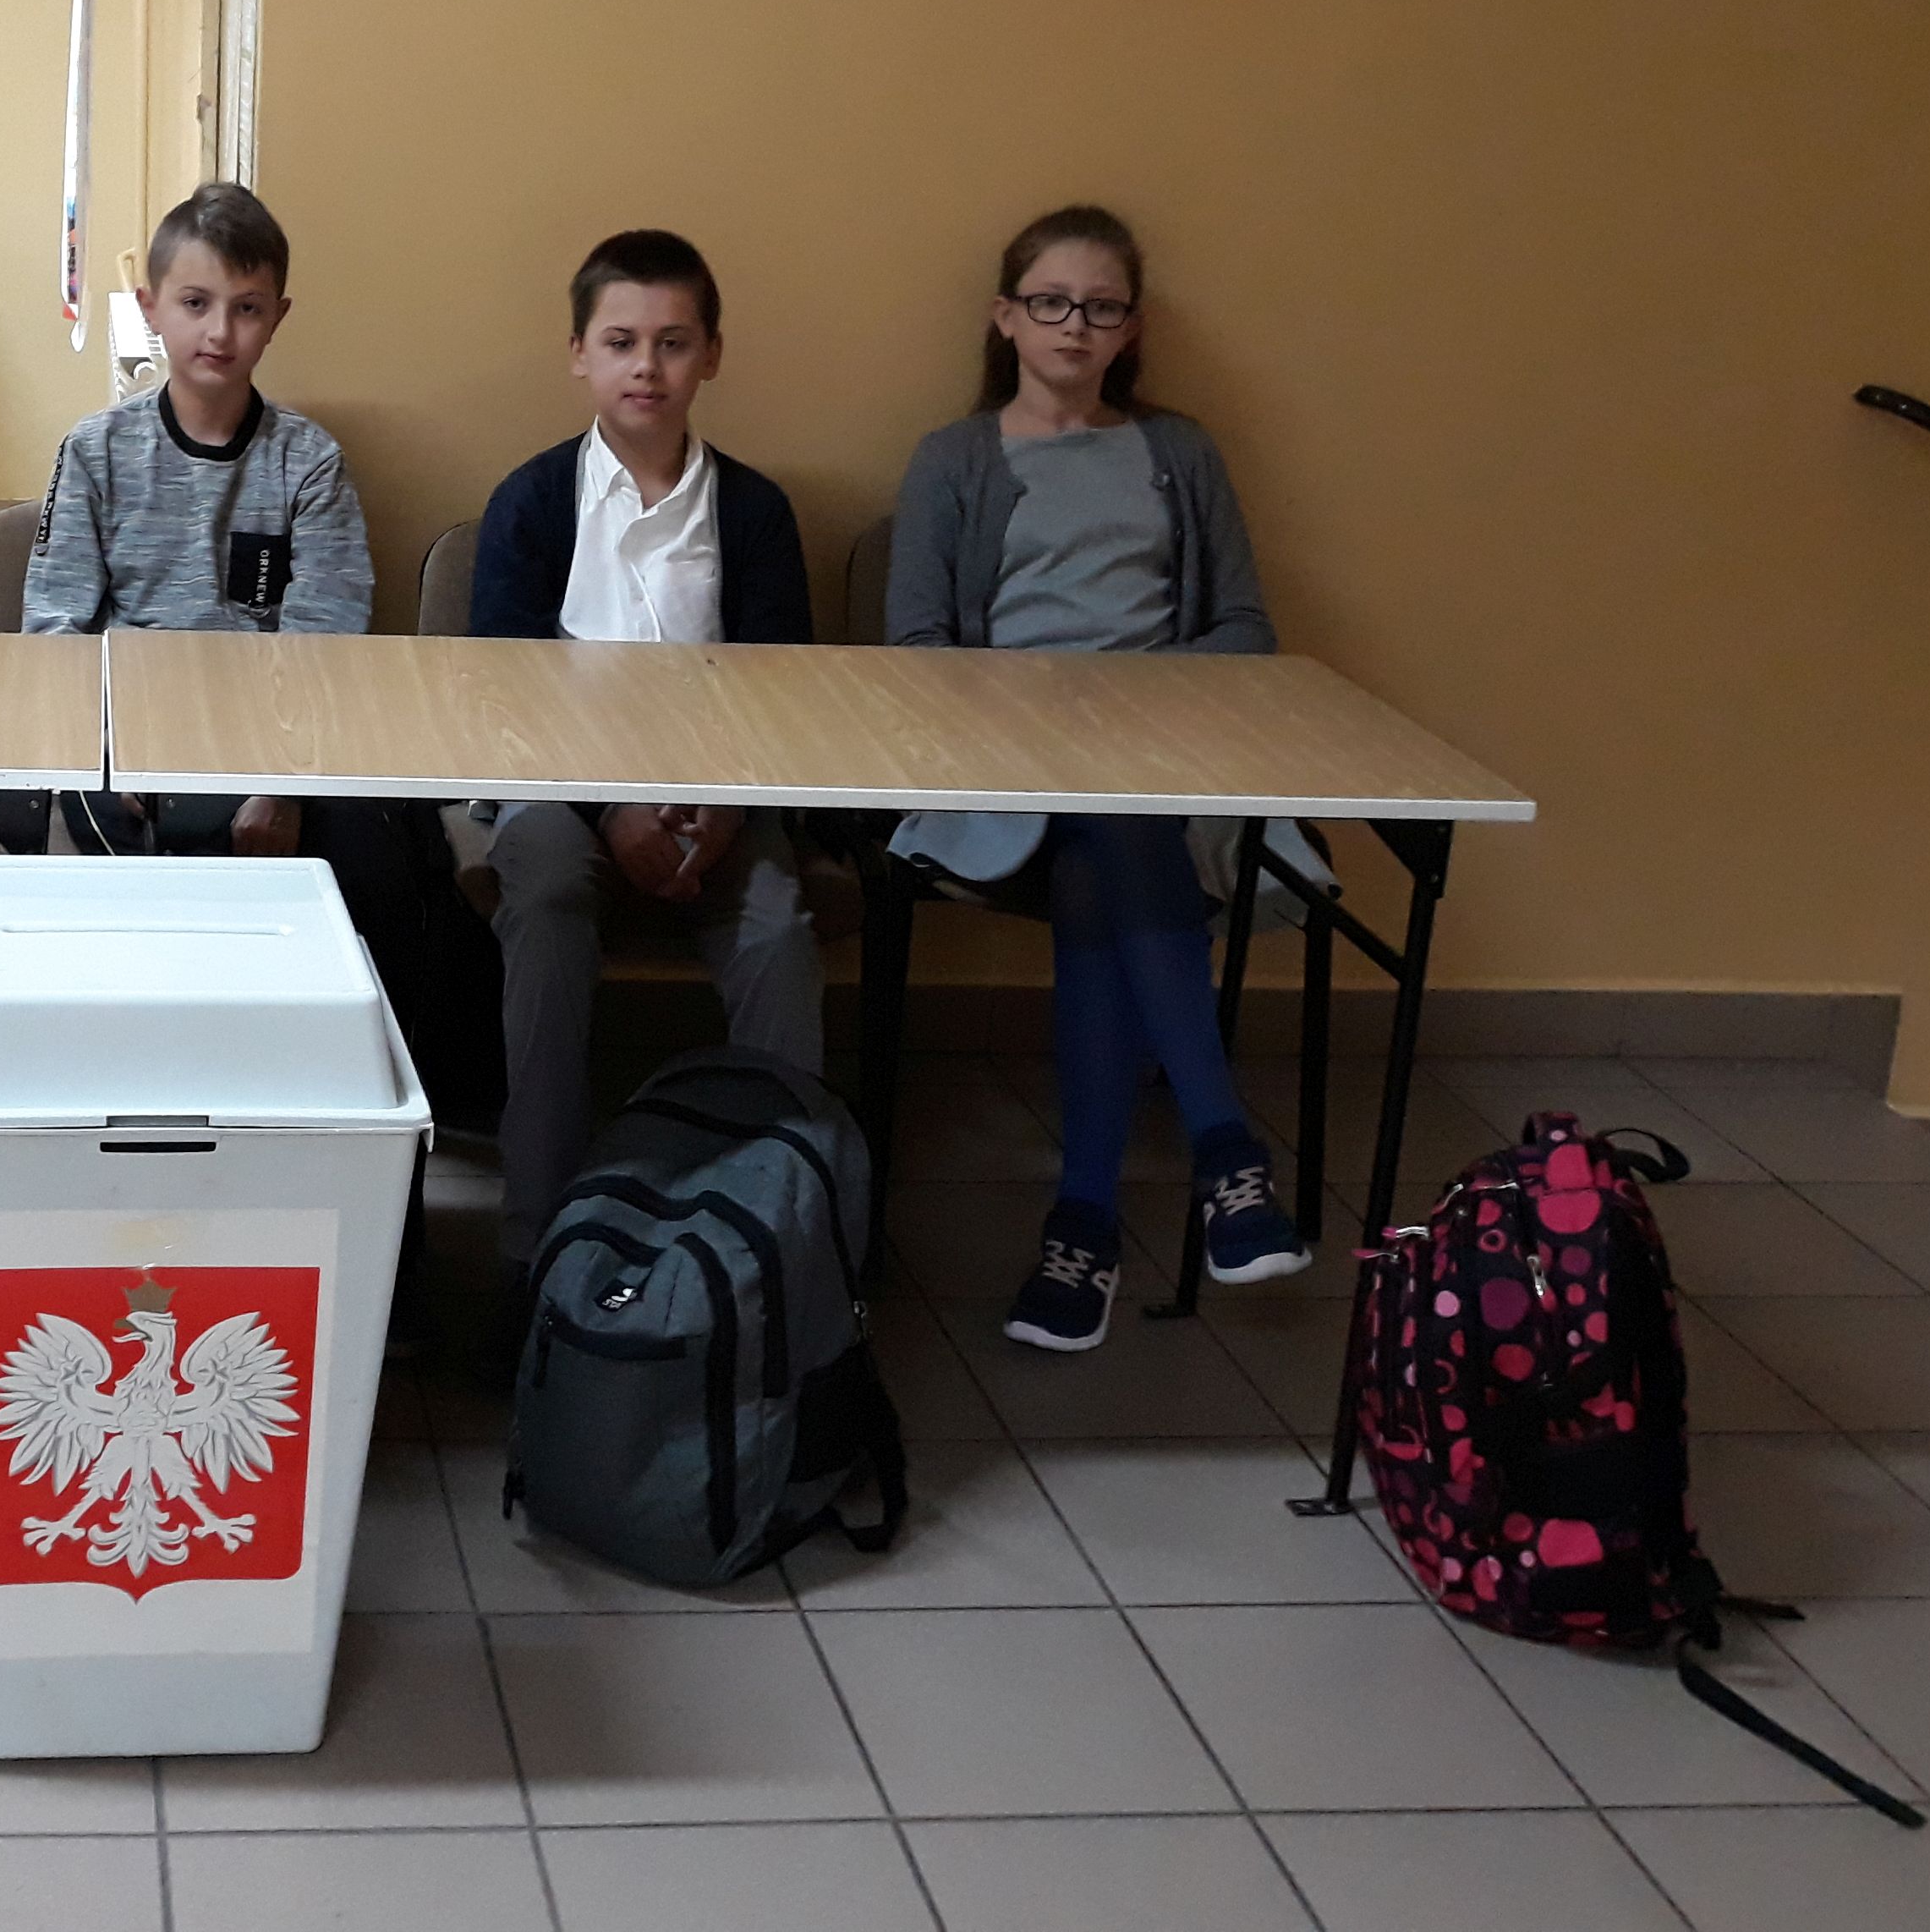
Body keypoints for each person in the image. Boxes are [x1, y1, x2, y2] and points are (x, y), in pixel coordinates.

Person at [885, 201, 1311, 1354]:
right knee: (1109, 836)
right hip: (1005, 769)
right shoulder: (954, 458)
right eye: (1051, 302)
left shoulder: (1180, 453)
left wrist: (1135, 702)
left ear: (1131, 328)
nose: (1075, 324)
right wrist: (1044, 706)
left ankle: (1085, 1228)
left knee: (1107, 854)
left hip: (1163, 760)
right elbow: (915, 650)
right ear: (1006, 317)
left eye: (1102, 307)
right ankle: (1224, 1153)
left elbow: (1245, 629)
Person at [12, 183, 482, 1084]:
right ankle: (150, 1082)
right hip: (132, 736)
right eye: (194, 304)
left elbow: (324, 642)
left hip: (273, 739)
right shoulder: (96, 451)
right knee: (130, 862)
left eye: (247, 308)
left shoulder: (308, 461)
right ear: (151, 308)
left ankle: (358, 1095)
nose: (219, 332)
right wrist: (114, 753)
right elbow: (57, 629)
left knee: (383, 865)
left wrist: (278, 784)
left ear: (278, 318)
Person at [470, 230, 825, 1334]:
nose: (647, 367)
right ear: (579, 353)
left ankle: (779, 1251)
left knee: (775, 927)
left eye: (673, 343)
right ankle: (534, 1243)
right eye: (621, 341)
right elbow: (504, 699)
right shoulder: (533, 502)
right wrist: (607, 809)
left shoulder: (753, 513)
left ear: (711, 354)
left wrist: (719, 808)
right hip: (559, 792)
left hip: (721, 795)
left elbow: (780, 696)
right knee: (544, 891)